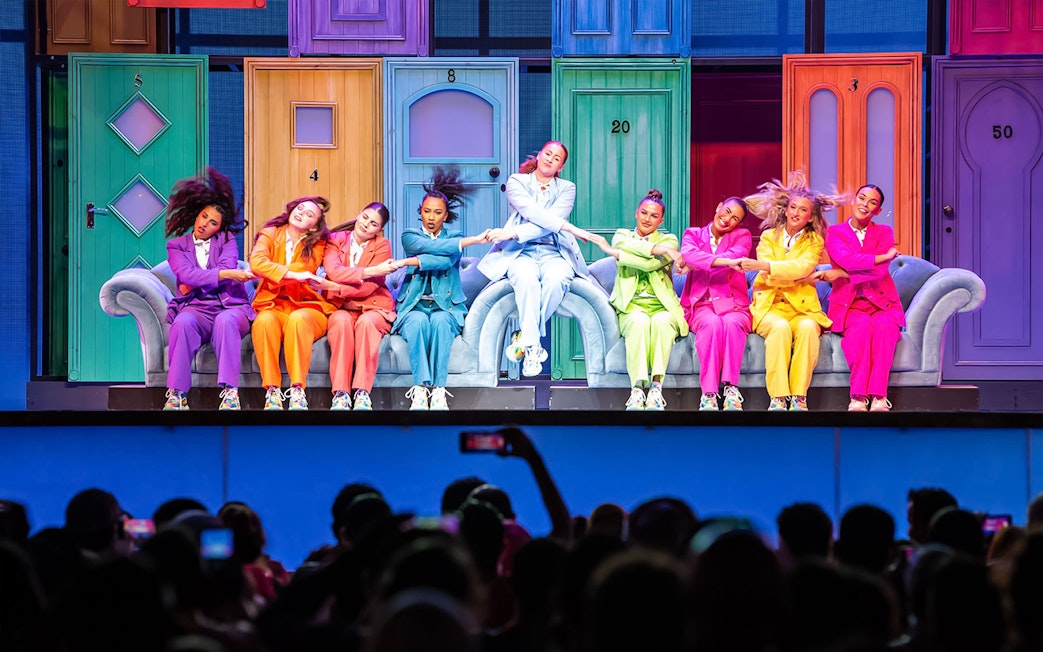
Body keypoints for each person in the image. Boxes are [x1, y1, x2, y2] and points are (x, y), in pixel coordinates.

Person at [478, 140, 608, 377]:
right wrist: (571, 228)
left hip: (554, 251)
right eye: (547, 153)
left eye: (557, 158)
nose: (550, 159)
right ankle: (532, 347)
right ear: (539, 155)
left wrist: (512, 231)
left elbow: (548, 225)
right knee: (526, 279)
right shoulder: (517, 181)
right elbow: (532, 213)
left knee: (557, 279)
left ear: (560, 167)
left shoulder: (567, 187)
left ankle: (525, 339)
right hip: (520, 251)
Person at [740, 171, 845, 411]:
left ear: (810, 217)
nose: (796, 213)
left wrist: (768, 268)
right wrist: (795, 276)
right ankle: (778, 397)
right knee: (780, 328)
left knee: (808, 328)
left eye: (802, 210)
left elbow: (802, 266)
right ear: (786, 210)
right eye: (793, 207)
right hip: (770, 306)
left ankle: (799, 396)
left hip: (802, 308)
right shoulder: (767, 237)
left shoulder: (815, 241)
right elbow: (790, 273)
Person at [390, 167, 490, 411]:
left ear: (445, 216)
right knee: (417, 324)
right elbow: (434, 252)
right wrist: (439, 250)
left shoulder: (454, 235)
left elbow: (446, 261)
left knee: (441, 324)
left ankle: (438, 391)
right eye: (427, 212)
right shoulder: (409, 235)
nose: (431, 217)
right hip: (414, 304)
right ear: (420, 213)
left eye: (437, 213)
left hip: (446, 306)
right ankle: (421, 389)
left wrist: (410, 262)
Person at [161, 167, 254, 411]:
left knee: (226, 321)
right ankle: (176, 394)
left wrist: (205, 277)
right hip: (196, 307)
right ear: (196, 215)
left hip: (230, 306)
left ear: (219, 228)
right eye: (204, 216)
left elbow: (219, 267)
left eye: (213, 222)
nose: (205, 224)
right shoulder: (177, 246)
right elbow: (185, 274)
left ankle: (230, 392)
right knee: (182, 323)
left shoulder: (226, 241)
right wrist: (225, 274)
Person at [815, 184, 902, 412]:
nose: (865, 204)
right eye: (862, 198)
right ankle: (858, 397)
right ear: (854, 200)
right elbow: (845, 259)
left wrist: (844, 273)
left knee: (884, 327)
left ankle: (879, 396)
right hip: (850, 304)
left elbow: (880, 272)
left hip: (882, 303)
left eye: (872, 202)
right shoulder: (835, 232)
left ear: (878, 210)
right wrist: (881, 257)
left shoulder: (884, 232)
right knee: (861, 328)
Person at [602, 189, 688, 411]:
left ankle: (657, 389)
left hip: (663, 305)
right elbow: (631, 248)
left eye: (653, 216)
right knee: (639, 323)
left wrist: (620, 255)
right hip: (632, 306)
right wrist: (659, 251)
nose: (647, 219)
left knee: (660, 323)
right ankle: (638, 389)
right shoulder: (622, 235)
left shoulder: (670, 239)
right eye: (644, 213)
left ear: (661, 220)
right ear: (636, 213)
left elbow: (650, 265)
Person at [249, 196, 336, 411]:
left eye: (309, 214)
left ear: (314, 225)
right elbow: (256, 263)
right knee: (264, 322)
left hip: (307, 305)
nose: (301, 214)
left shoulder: (318, 243)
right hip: (273, 303)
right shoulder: (270, 233)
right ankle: (272, 391)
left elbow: (305, 267)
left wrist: (275, 270)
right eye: (299, 208)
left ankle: (298, 390)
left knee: (298, 320)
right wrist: (293, 275)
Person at [309, 202, 398, 411]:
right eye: (365, 217)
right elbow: (334, 271)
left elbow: (369, 288)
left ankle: (362, 392)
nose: (366, 224)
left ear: (379, 230)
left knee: (367, 323)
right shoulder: (335, 240)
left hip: (374, 307)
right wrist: (369, 270)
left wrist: (333, 287)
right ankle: (340, 393)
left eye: (373, 223)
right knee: (340, 322)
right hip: (341, 308)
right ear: (359, 214)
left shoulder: (382, 245)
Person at [678, 197, 753, 411]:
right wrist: (728, 262)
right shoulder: (693, 234)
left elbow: (736, 254)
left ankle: (730, 388)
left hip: (734, 305)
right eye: (726, 211)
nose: (727, 219)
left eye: (735, 218)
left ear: (738, 223)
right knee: (711, 324)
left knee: (730, 323)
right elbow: (689, 255)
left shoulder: (742, 236)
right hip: (701, 305)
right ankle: (709, 393)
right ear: (718, 206)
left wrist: (698, 262)